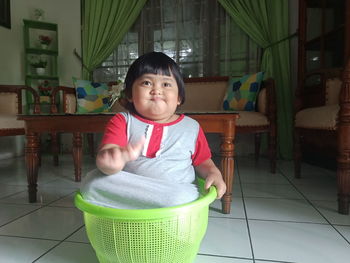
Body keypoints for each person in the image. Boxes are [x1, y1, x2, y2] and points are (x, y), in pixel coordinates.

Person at [81, 51, 226, 209]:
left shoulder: (191, 127)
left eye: (166, 84)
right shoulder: (122, 121)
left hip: (174, 192)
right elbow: (108, 154)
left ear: (179, 97)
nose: (156, 90)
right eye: (147, 83)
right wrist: (112, 159)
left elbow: (203, 162)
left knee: (183, 197)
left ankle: (142, 206)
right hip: (133, 189)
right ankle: (143, 206)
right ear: (130, 94)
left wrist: (214, 173)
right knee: (92, 182)